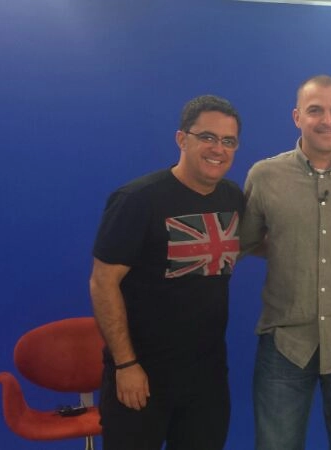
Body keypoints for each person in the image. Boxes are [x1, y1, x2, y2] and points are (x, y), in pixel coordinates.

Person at [89, 95, 245, 450]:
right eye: (207, 137)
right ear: (182, 139)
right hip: (141, 376)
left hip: (206, 379)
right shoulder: (138, 200)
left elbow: (259, 244)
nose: (217, 149)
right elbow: (102, 282)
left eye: (228, 141)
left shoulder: (233, 198)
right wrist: (125, 364)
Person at [240, 75, 331, 450]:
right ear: (296, 116)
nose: (327, 121)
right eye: (315, 110)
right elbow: (249, 241)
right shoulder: (265, 176)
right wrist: (295, 249)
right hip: (286, 343)